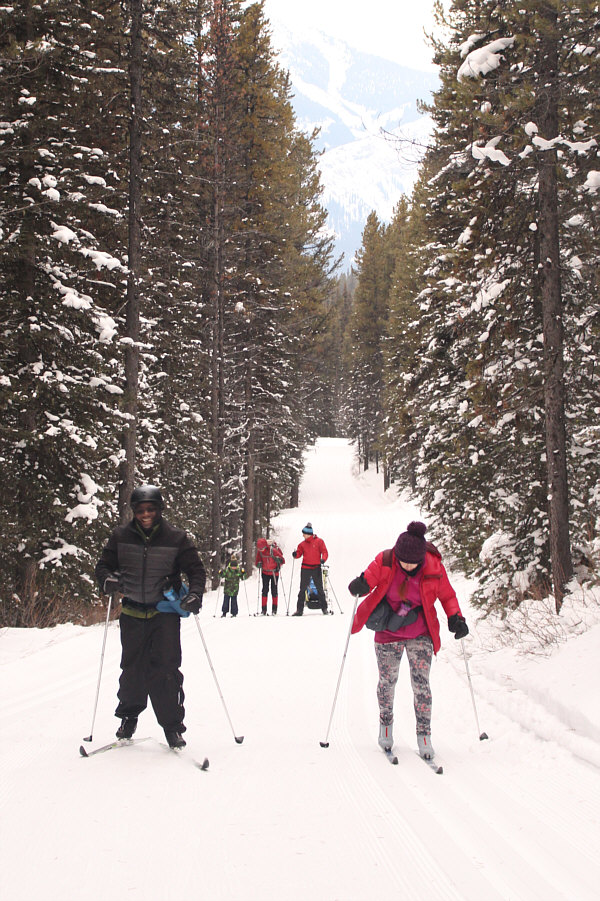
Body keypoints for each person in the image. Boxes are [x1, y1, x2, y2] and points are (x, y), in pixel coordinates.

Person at [95, 484, 206, 749]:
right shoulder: (120, 536)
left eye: (151, 509)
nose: (146, 514)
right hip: (132, 611)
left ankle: (172, 728)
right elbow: (103, 566)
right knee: (132, 669)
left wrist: (195, 595)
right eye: (141, 510)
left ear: (160, 510)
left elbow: (196, 570)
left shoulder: (176, 538)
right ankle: (128, 718)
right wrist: (107, 581)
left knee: (166, 670)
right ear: (134, 511)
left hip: (164, 614)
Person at [348, 521, 468, 760]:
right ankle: (385, 724)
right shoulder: (385, 560)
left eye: (414, 563)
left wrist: (456, 617)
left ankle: (424, 734)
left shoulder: (433, 566)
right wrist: (359, 585)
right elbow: (368, 579)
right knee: (387, 682)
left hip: (420, 633)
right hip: (388, 633)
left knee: (421, 685)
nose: (409, 566)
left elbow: (447, 595)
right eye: (404, 562)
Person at [292, 522, 329, 615]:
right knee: (302, 589)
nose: (303, 535)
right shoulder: (302, 544)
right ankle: (299, 610)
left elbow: (324, 552)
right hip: (305, 568)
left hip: (316, 567)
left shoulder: (319, 541)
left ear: (308, 534)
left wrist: (323, 559)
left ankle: (324, 608)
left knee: (319, 588)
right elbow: (299, 554)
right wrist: (295, 554)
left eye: (304, 534)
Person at [255, 538, 285, 614]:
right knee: (264, 590)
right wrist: (258, 564)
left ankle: (274, 610)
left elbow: (283, 560)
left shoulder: (273, 551)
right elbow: (257, 561)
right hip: (265, 573)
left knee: (274, 590)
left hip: (274, 573)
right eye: (259, 549)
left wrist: (279, 561)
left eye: (262, 548)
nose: (261, 550)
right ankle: (263, 610)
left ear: (265, 546)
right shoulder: (260, 552)